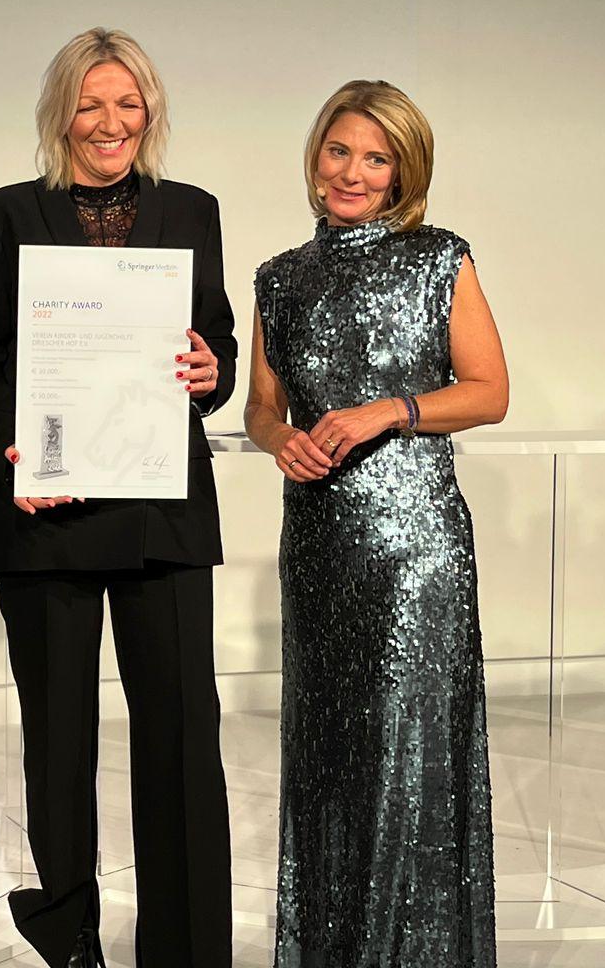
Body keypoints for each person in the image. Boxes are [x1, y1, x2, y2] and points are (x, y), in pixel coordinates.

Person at [0, 27, 236, 967]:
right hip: (49, 514)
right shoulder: (3, 214)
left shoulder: (194, 211)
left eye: (127, 103)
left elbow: (219, 345)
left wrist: (211, 370)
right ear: (60, 112)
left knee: (183, 738)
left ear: (148, 111)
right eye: (90, 102)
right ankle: (71, 936)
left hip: (163, 513)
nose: (109, 122)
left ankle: (187, 947)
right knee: (59, 744)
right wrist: (13, 455)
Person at [243, 79, 508, 967]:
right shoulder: (280, 277)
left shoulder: (440, 257)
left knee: (407, 757)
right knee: (329, 761)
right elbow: (261, 409)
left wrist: (385, 410)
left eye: (375, 158)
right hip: (318, 545)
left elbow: (489, 392)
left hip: (415, 549)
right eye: (338, 151)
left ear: (403, 173)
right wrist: (281, 441)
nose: (351, 173)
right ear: (316, 155)